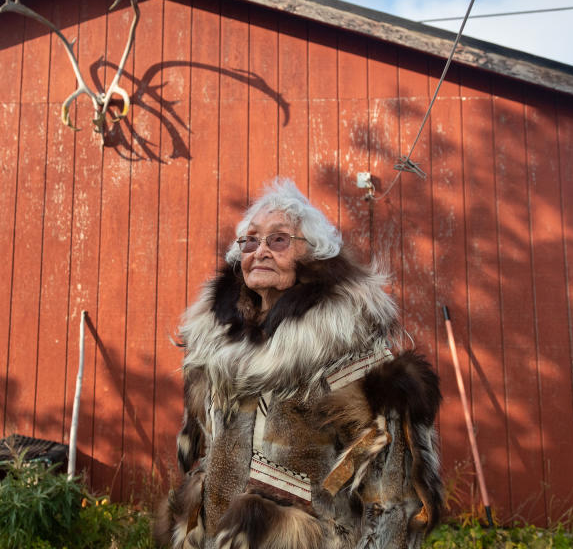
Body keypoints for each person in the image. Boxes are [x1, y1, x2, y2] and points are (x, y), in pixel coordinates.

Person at [155, 179, 443, 549]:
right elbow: (196, 452)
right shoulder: (214, 348)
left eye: (278, 240)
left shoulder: (351, 354)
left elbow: (393, 498)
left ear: (314, 258)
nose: (259, 251)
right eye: (250, 240)